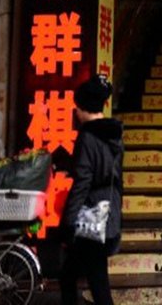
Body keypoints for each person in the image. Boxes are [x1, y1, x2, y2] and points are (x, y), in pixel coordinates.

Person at [60, 74, 124, 305]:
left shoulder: (88, 137)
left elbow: (82, 182)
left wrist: (68, 222)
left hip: (91, 219)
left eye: (78, 107)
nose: (75, 112)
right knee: (75, 274)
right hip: (108, 214)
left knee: (93, 283)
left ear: (85, 107)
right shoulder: (114, 134)